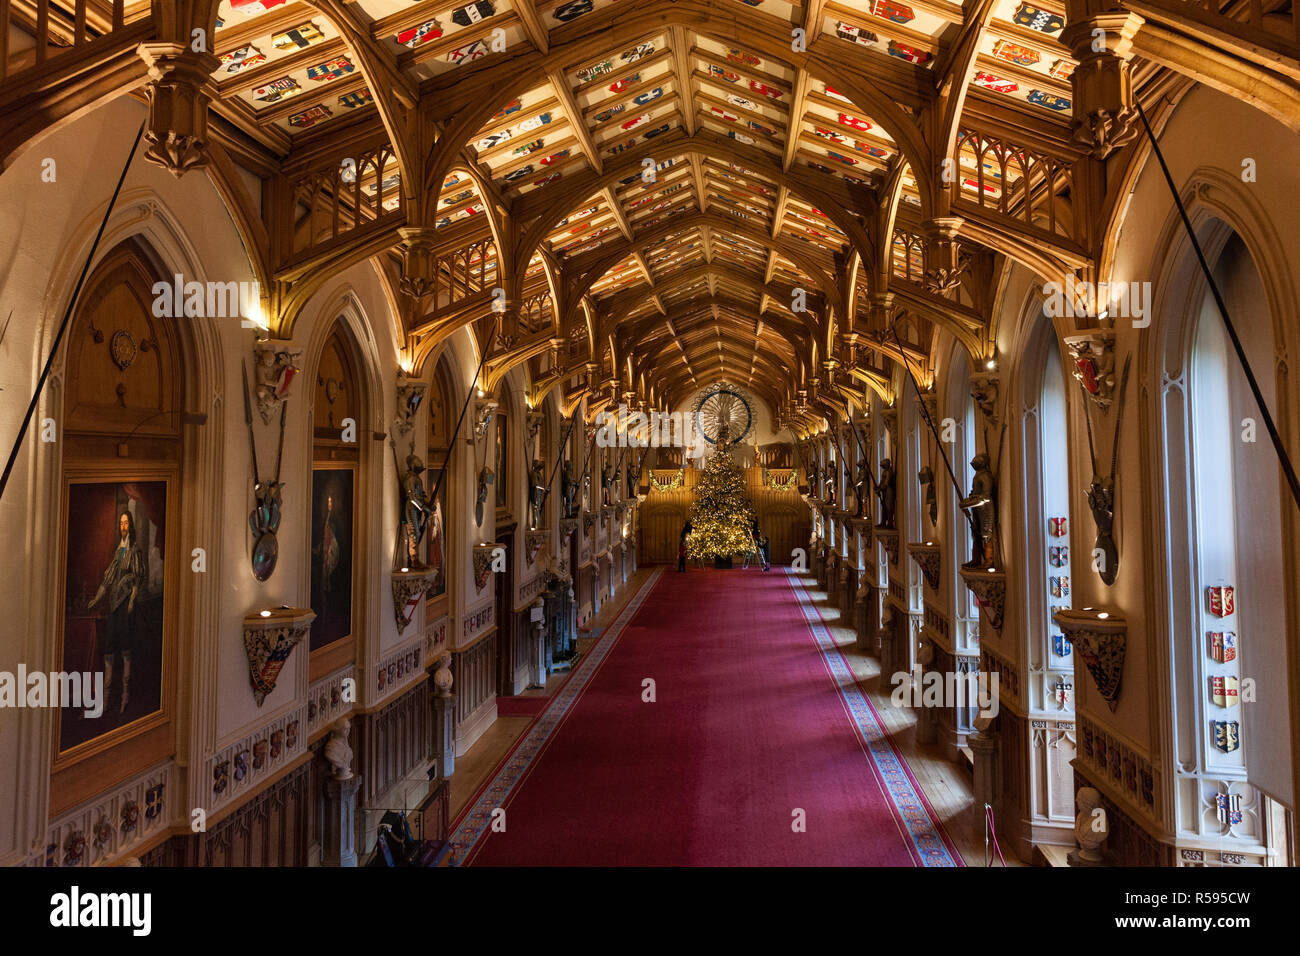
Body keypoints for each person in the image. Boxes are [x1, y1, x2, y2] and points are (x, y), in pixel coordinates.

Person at [88, 509, 146, 715]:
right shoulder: (118, 551)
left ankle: (124, 698)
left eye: (126, 523)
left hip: (126, 608)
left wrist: (131, 599)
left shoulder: (135, 551)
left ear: (131, 525)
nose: (123, 526)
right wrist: (97, 597)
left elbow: (138, 578)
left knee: (126, 652)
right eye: (120, 523)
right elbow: (108, 579)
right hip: (113, 607)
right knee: (109, 652)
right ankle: (105, 699)